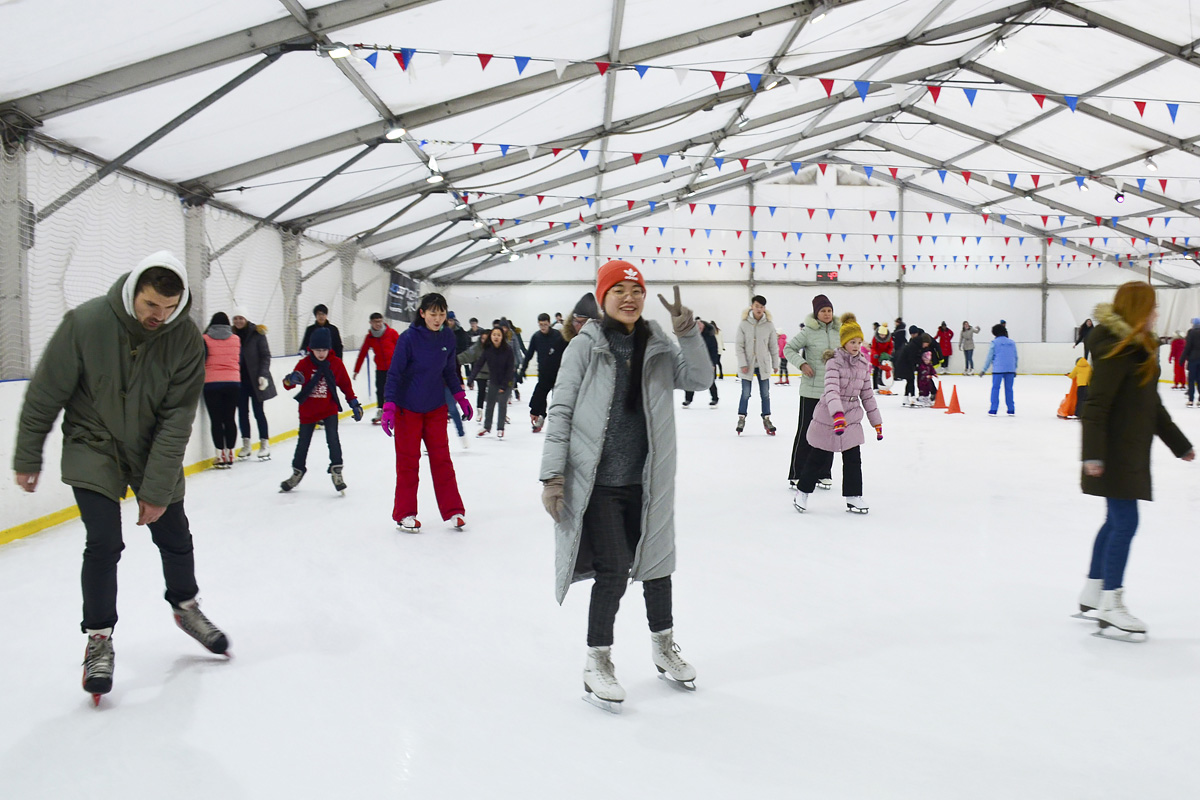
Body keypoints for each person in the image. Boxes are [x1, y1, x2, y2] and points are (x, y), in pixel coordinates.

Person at [13, 251, 230, 703]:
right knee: (104, 541)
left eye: (170, 309)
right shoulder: (86, 323)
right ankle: (98, 639)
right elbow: (46, 392)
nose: (160, 317)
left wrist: (154, 491)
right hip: (92, 445)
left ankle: (186, 607)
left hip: (153, 447)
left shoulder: (186, 340)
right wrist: (28, 454)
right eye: (152, 305)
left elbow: (177, 420)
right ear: (134, 292)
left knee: (174, 533)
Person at [538, 260, 711, 711]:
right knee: (613, 571)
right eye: (619, 290)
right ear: (602, 298)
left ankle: (663, 645)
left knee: (657, 567)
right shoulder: (584, 347)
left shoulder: (658, 342)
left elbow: (700, 378)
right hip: (599, 482)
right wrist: (553, 475)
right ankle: (597, 660)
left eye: (636, 289)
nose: (629, 297)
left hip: (648, 481)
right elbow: (561, 413)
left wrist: (687, 329)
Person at [1077, 282, 1193, 640]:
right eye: (1152, 307)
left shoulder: (1138, 349)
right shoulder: (1116, 351)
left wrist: (1180, 444)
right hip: (1113, 454)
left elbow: (1152, 407)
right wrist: (1093, 455)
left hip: (1129, 451)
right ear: (1136, 309)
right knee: (1125, 523)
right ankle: (1112, 602)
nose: (1157, 313)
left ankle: (1094, 590)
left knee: (1115, 521)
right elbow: (1095, 406)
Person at [381, 293, 473, 534]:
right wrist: (389, 406)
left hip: (434, 409)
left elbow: (450, 371)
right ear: (422, 313)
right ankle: (405, 514)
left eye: (442, 314)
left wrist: (460, 397)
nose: (438, 318)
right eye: (433, 314)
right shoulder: (408, 339)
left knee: (442, 460)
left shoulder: (447, 336)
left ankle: (454, 510)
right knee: (408, 463)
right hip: (406, 410)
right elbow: (394, 374)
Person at [793, 313, 882, 514]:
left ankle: (853, 496)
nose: (856, 345)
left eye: (859, 342)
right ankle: (802, 492)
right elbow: (831, 391)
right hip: (829, 417)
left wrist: (876, 421)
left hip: (851, 419)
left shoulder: (863, 365)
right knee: (817, 457)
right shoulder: (834, 362)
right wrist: (837, 415)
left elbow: (867, 395)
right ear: (843, 342)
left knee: (853, 458)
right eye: (852, 341)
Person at [280, 327, 363, 493]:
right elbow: (288, 385)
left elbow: (345, 385)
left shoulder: (335, 364)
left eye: (324, 350)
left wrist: (354, 403)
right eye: (317, 350)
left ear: (329, 349)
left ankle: (337, 471)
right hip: (308, 411)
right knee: (303, 443)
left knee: (333, 439)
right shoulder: (304, 364)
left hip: (328, 409)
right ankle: (297, 471)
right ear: (311, 349)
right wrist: (290, 379)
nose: (321, 353)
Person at [784, 295, 840, 490]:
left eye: (829, 311)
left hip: (833, 391)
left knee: (830, 432)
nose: (826, 314)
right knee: (806, 431)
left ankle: (824, 473)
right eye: (823, 311)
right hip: (811, 391)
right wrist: (802, 363)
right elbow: (788, 348)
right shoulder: (808, 332)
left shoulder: (839, 332)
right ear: (817, 313)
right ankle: (797, 473)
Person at [231, 309, 276, 461]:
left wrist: (263, 374)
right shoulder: (231, 334)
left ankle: (264, 444)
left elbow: (265, 355)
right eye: (235, 318)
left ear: (246, 319)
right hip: (239, 380)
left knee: (258, 412)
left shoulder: (257, 333)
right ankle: (246, 444)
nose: (238, 321)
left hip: (256, 381)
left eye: (241, 318)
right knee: (242, 413)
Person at [735, 295, 779, 435]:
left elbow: (773, 346)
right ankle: (741, 418)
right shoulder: (744, 324)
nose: (759, 309)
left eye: (761, 307)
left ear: (764, 308)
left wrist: (775, 363)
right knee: (746, 394)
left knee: (765, 394)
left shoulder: (769, 325)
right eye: (756, 306)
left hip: (763, 365)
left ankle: (767, 419)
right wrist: (742, 363)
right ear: (752, 307)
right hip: (747, 364)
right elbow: (739, 346)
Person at [202, 312, 241, 469]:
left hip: (211, 383)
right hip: (233, 383)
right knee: (230, 419)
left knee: (216, 420)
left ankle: (220, 455)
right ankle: (230, 453)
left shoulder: (204, 338)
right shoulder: (236, 339)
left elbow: (201, 358)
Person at [521, 313, 566, 432]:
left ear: (549, 323)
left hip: (558, 374)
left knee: (557, 399)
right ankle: (541, 418)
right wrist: (523, 369)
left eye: (545, 324)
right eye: (540, 325)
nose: (543, 327)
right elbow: (529, 354)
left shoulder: (558, 336)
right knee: (540, 397)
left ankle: (557, 422)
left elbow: (568, 352)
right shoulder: (536, 337)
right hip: (543, 373)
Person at [353, 312, 400, 423]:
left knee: (396, 389)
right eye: (375, 322)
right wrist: (356, 370)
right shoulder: (370, 337)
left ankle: (399, 410)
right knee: (380, 390)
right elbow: (363, 353)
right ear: (371, 323)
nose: (378, 324)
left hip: (394, 368)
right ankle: (381, 410)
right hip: (380, 369)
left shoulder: (392, 333)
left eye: (379, 321)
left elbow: (402, 348)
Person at [469, 326, 516, 439]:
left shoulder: (508, 350)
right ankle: (487, 427)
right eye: (494, 335)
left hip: (507, 381)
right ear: (491, 336)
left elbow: (510, 369)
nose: (496, 337)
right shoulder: (488, 349)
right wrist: (471, 378)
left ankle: (500, 428)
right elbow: (479, 364)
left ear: (502, 337)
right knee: (490, 404)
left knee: (502, 404)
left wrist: (504, 386)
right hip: (494, 381)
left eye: (498, 335)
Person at [979, 324, 1018, 416]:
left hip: (998, 369)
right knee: (1009, 389)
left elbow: (990, 357)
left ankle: (993, 409)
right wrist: (1014, 369)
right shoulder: (1012, 342)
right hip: (1010, 369)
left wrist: (984, 369)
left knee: (995, 388)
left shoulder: (995, 342)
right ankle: (1011, 409)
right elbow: (1015, 357)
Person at [682, 319, 719, 407]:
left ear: (703, 326)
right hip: (694, 362)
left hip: (707, 362)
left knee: (710, 382)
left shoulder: (710, 336)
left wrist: (713, 363)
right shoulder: (691, 336)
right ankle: (688, 399)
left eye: (700, 326)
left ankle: (715, 398)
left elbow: (714, 351)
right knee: (690, 381)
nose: (698, 328)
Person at [869, 323, 893, 390]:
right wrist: (875, 354)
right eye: (881, 335)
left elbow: (890, 347)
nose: (882, 336)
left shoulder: (889, 339)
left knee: (884, 371)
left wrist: (888, 354)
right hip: (876, 357)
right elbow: (873, 347)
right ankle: (875, 386)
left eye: (883, 335)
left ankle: (883, 385)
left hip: (884, 357)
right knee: (876, 371)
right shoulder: (875, 338)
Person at [1182, 318, 1200, 406]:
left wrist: (1182, 359)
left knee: (1191, 379)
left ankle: (1191, 400)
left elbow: (1187, 347)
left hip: (1193, 359)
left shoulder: (1191, 332)